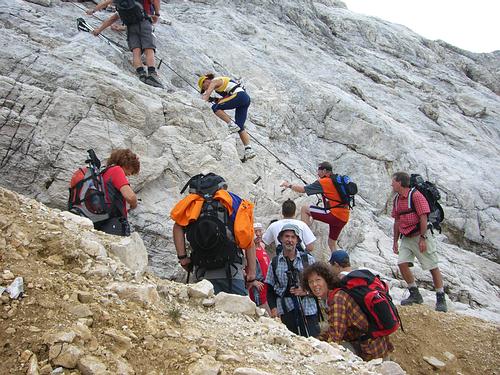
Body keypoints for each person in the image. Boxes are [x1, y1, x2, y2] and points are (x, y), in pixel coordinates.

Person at [170, 174, 256, 295]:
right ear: (221, 187)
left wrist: (183, 258)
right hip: (232, 272)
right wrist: (251, 273)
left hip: (202, 271)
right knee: (239, 310)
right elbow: (248, 238)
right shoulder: (232, 202)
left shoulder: (191, 205)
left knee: (206, 308)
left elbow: (177, 226)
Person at [302, 262, 394, 361]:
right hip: (372, 344)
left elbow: (335, 337)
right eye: (311, 282)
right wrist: (315, 341)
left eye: (318, 280)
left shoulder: (337, 299)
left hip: (372, 349)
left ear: (326, 280)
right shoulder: (332, 296)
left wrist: (315, 350)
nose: (314, 284)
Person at [391, 172, 447, 312]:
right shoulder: (397, 199)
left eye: (393, 181)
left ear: (400, 182)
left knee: (432, 266)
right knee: (402, 263)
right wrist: (395, 241)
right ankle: (414, 294)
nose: (391, 184)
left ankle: (441, 298)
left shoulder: (416, 196)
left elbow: (423, 218)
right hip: (406, 237)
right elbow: (397, 221)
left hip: (420, 235)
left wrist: (423, 238)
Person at [87, 0, 164, 88]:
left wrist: (97, 25)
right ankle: (152, 74)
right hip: (144, 23)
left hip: (130, 28)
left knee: (136, 51)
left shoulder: (121, 5)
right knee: (149, 49)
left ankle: (141, 74)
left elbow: (110, 16)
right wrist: (157, 14)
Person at [265, 224, 319, 337]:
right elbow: (269, 289)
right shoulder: (274, 262)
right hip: (285, 311)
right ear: (280, 239)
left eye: (293, 237)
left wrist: (306, 292)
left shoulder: (308, 260)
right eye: (287, 236)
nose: (290, 240)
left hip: (308, 310)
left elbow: (320, 285)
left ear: (297, 240)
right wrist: (273, 309)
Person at [281, 161, 349, 252]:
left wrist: (288, 185)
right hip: (344, 217)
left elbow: (302, 190)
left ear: (324, 171)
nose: (317, 173)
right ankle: (337, 263)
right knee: (331, 242)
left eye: (319, 171)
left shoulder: (324, 182)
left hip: (334, 215)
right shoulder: (337, 180)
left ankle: (304, 238)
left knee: (305, 209)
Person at [198, 73, 255, 160]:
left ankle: (230, 124)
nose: (205, 89)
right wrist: (214, 99)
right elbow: (228, 98)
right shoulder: (220, 87)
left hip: (239, 96)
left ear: (206, 80)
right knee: (239, 126)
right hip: (244, 99)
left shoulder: (214, 81)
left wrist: (201, 103)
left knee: (215, 108)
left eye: (204, 86)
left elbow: (208, 92)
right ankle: (249, 149)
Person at [95, 148, 140, 236]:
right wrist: (134, 204)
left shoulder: (104, 172)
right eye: (130, 171)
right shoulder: (117, 170)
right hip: (113, 223)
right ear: (127, 164)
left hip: (103, 222)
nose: (129, 175)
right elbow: (130, 197)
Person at [247, 223, 271, 314]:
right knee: (264, 313)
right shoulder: (247, 249)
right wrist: (252, 281)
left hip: (267, 285)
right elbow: (243, 268)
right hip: (257, 287)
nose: (258, 234)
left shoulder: (262, 246)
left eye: (260, 231)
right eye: (255, 231)